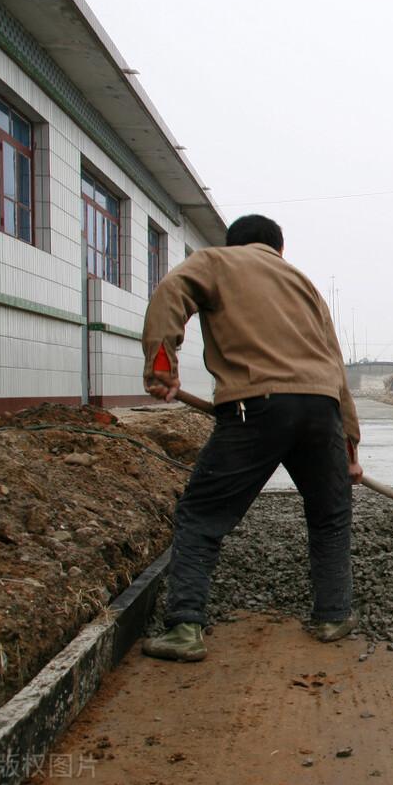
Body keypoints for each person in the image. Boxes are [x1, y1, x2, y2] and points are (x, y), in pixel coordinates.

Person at [139, 214, 362, 662]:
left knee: (202, 516)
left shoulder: (216, 261)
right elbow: (335, 364)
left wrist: (162, 363)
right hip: (321, 408)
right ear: (279, 249)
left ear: (234, 244)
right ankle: (333, 615)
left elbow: (170, 292)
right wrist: (349, 448)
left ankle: (184, 627)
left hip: (254, 406)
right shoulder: (303, 283)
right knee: (330, 515)